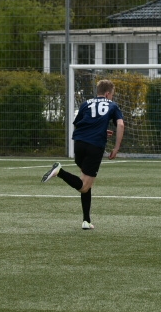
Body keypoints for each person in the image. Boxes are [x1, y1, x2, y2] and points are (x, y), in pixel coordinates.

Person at [41, 79, 124, 230]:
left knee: (85, 180)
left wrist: (100, 130)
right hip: (95, 146)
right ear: (107, 94)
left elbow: (78, 124)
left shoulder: (86, 104)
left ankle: (86, 220)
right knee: (84, 186)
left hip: (79, 144)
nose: (112, 97)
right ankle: (59, 171)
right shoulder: (112, 105)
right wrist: (116, 148)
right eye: (112, 95)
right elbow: (120, 124)